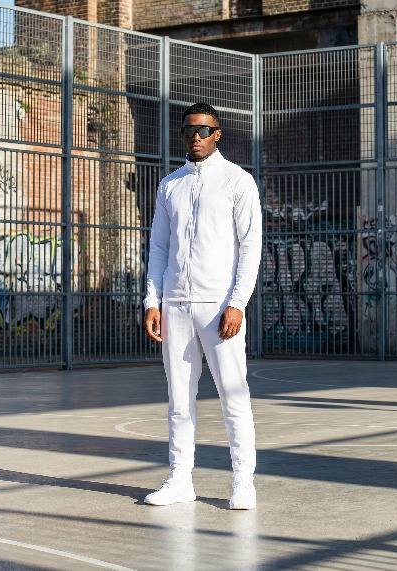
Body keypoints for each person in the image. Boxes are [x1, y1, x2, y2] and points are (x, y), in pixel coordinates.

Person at [142, 102, 262, 510]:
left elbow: (251, 247)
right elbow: (158, 248)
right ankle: (180, 480)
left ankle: (243, 482)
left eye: (203, 129)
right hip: (174, 306)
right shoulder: (169, 185)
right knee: (179, 399)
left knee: (233, 395)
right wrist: (151, 300)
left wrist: (238, 303)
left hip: (219, 308)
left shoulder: (237, 181)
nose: (195, 137)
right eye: (188, 130)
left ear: (218, 133)